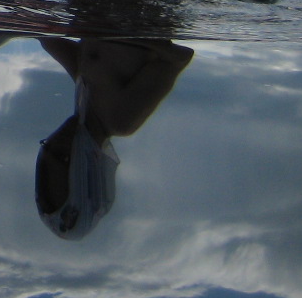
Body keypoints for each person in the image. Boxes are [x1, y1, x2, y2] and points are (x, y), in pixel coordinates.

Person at [34, 37, 194, 239]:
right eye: (62, 156)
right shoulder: (121, 119)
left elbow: (53, 43)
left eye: (47, 148)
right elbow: (178, 58)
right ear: (86, 169)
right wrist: (127, 35)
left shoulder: (84, 100)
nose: (55, 140)